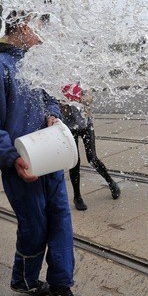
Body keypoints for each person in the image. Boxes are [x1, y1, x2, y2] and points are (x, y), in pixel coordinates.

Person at [0, 10, 83, 296]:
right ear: (22, 27)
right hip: (20, 164)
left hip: (49, 156)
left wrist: (53, 115)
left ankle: (61, 286)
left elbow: (49, 98)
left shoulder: (34, 64)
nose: (42, 34)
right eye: (38, 26)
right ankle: (23, 279)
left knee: (61, 218)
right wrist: (10, 158)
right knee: (34, 226)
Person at [59, 82, 121, 211]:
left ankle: (111, 183)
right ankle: (77, 197)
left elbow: (89, 101)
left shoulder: (80, 81)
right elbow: (55, 106)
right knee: (75, 162)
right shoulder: (57, 83)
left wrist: (83, 99)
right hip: (69, 128)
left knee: (92, 158)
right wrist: (63, 104)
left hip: (86, 125)